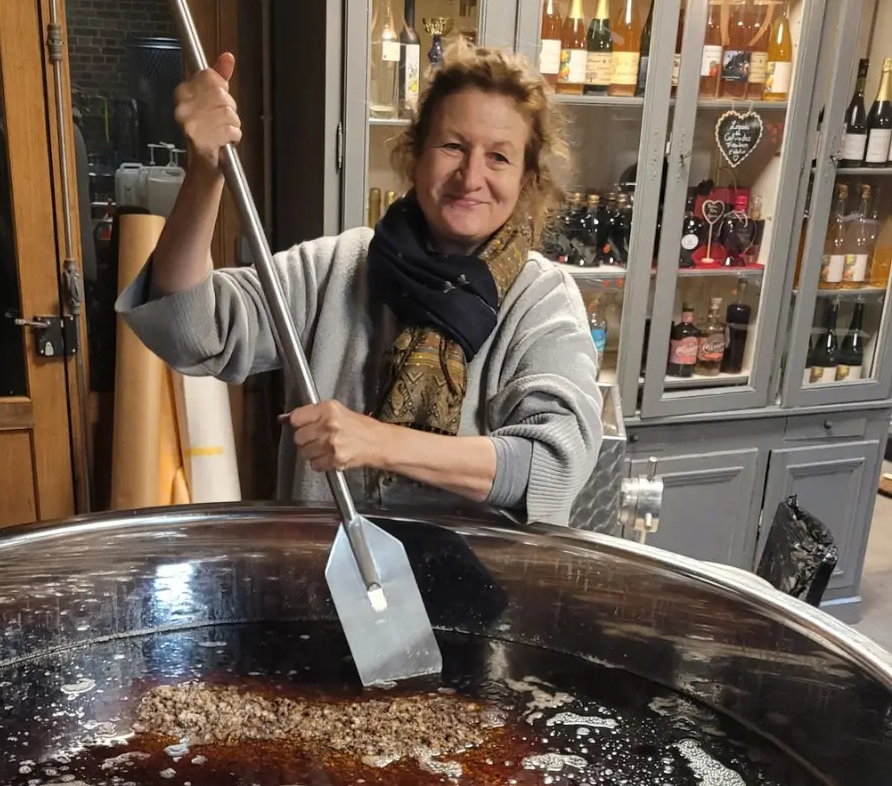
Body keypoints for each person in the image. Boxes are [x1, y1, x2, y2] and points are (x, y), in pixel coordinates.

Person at [117, 40, 603, 525]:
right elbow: (190, 329)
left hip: (478, 575)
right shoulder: (339, 268)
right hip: (326, 567)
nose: (471, 176)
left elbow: (552, 465)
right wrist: (207, 170)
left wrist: (378, 441)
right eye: (453, 146)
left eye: (498, 157)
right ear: (416, 153)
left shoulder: (541, 301)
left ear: (526, 178)